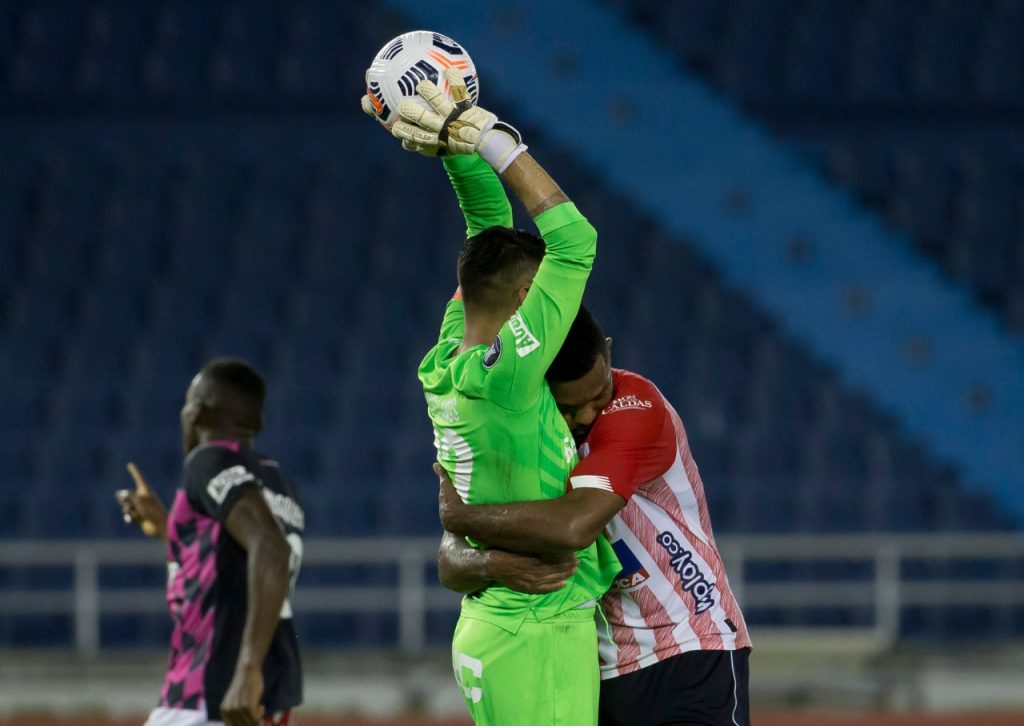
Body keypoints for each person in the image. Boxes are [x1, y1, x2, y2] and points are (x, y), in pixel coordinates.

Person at [364, 69, 620, 725]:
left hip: (496, 623)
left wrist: (453, 141)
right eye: (540, 295)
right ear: (516, 303)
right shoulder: (506, 377)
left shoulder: (448, 358)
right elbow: (575, 241)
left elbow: (487, 228)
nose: (551, 308)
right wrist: (493, 139)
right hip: (535, 630)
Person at [436, 306, 752, 726]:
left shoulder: (637, 407)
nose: (587, 415)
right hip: (595, 668)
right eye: (570, 407)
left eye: (597, 396)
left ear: (608, 352)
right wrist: (493, 562)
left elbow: (574, 526)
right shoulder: (525, 439)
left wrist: (463, 517)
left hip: (689, 646)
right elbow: (449, 564)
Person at [116, 357, 304, 726]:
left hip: (210, 689)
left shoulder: (208, 459)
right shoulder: (280, 482)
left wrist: (247, 669)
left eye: (187, 403)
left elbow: (270, 548)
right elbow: (231, 570)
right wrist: (169, 527)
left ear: (197, 413)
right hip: (271, 693)